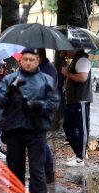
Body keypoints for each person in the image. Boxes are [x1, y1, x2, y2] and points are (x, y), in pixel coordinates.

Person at [0, 48, 59, 193]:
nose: (28, 62)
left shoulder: (46, 80)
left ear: (37, 61)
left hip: (37, 131)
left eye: (32, 59)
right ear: (20, 61)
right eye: (26, 59)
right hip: (14, 130)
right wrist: (9, 92)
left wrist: (38, 105)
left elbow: (54, 102)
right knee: (15, 169)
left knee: (37, 169)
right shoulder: (10, 79)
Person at [61, 50, 92, 167]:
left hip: (80, 100)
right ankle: (79, 152)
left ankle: (81, 157)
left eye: (67, 49)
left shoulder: (82, 60)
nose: (65, 51)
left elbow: (83, 77)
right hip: (73, 100)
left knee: (82, 128)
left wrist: (67, 73)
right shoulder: (75, 60)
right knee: (67, 126)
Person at [38, 48, 60, 183]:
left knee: (41, 141)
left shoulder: (48, 69)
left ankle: (49, 172)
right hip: (40, 109)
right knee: (41, 141)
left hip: (45, 109)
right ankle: (47, 171)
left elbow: (48, 90)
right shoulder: (42, 67)